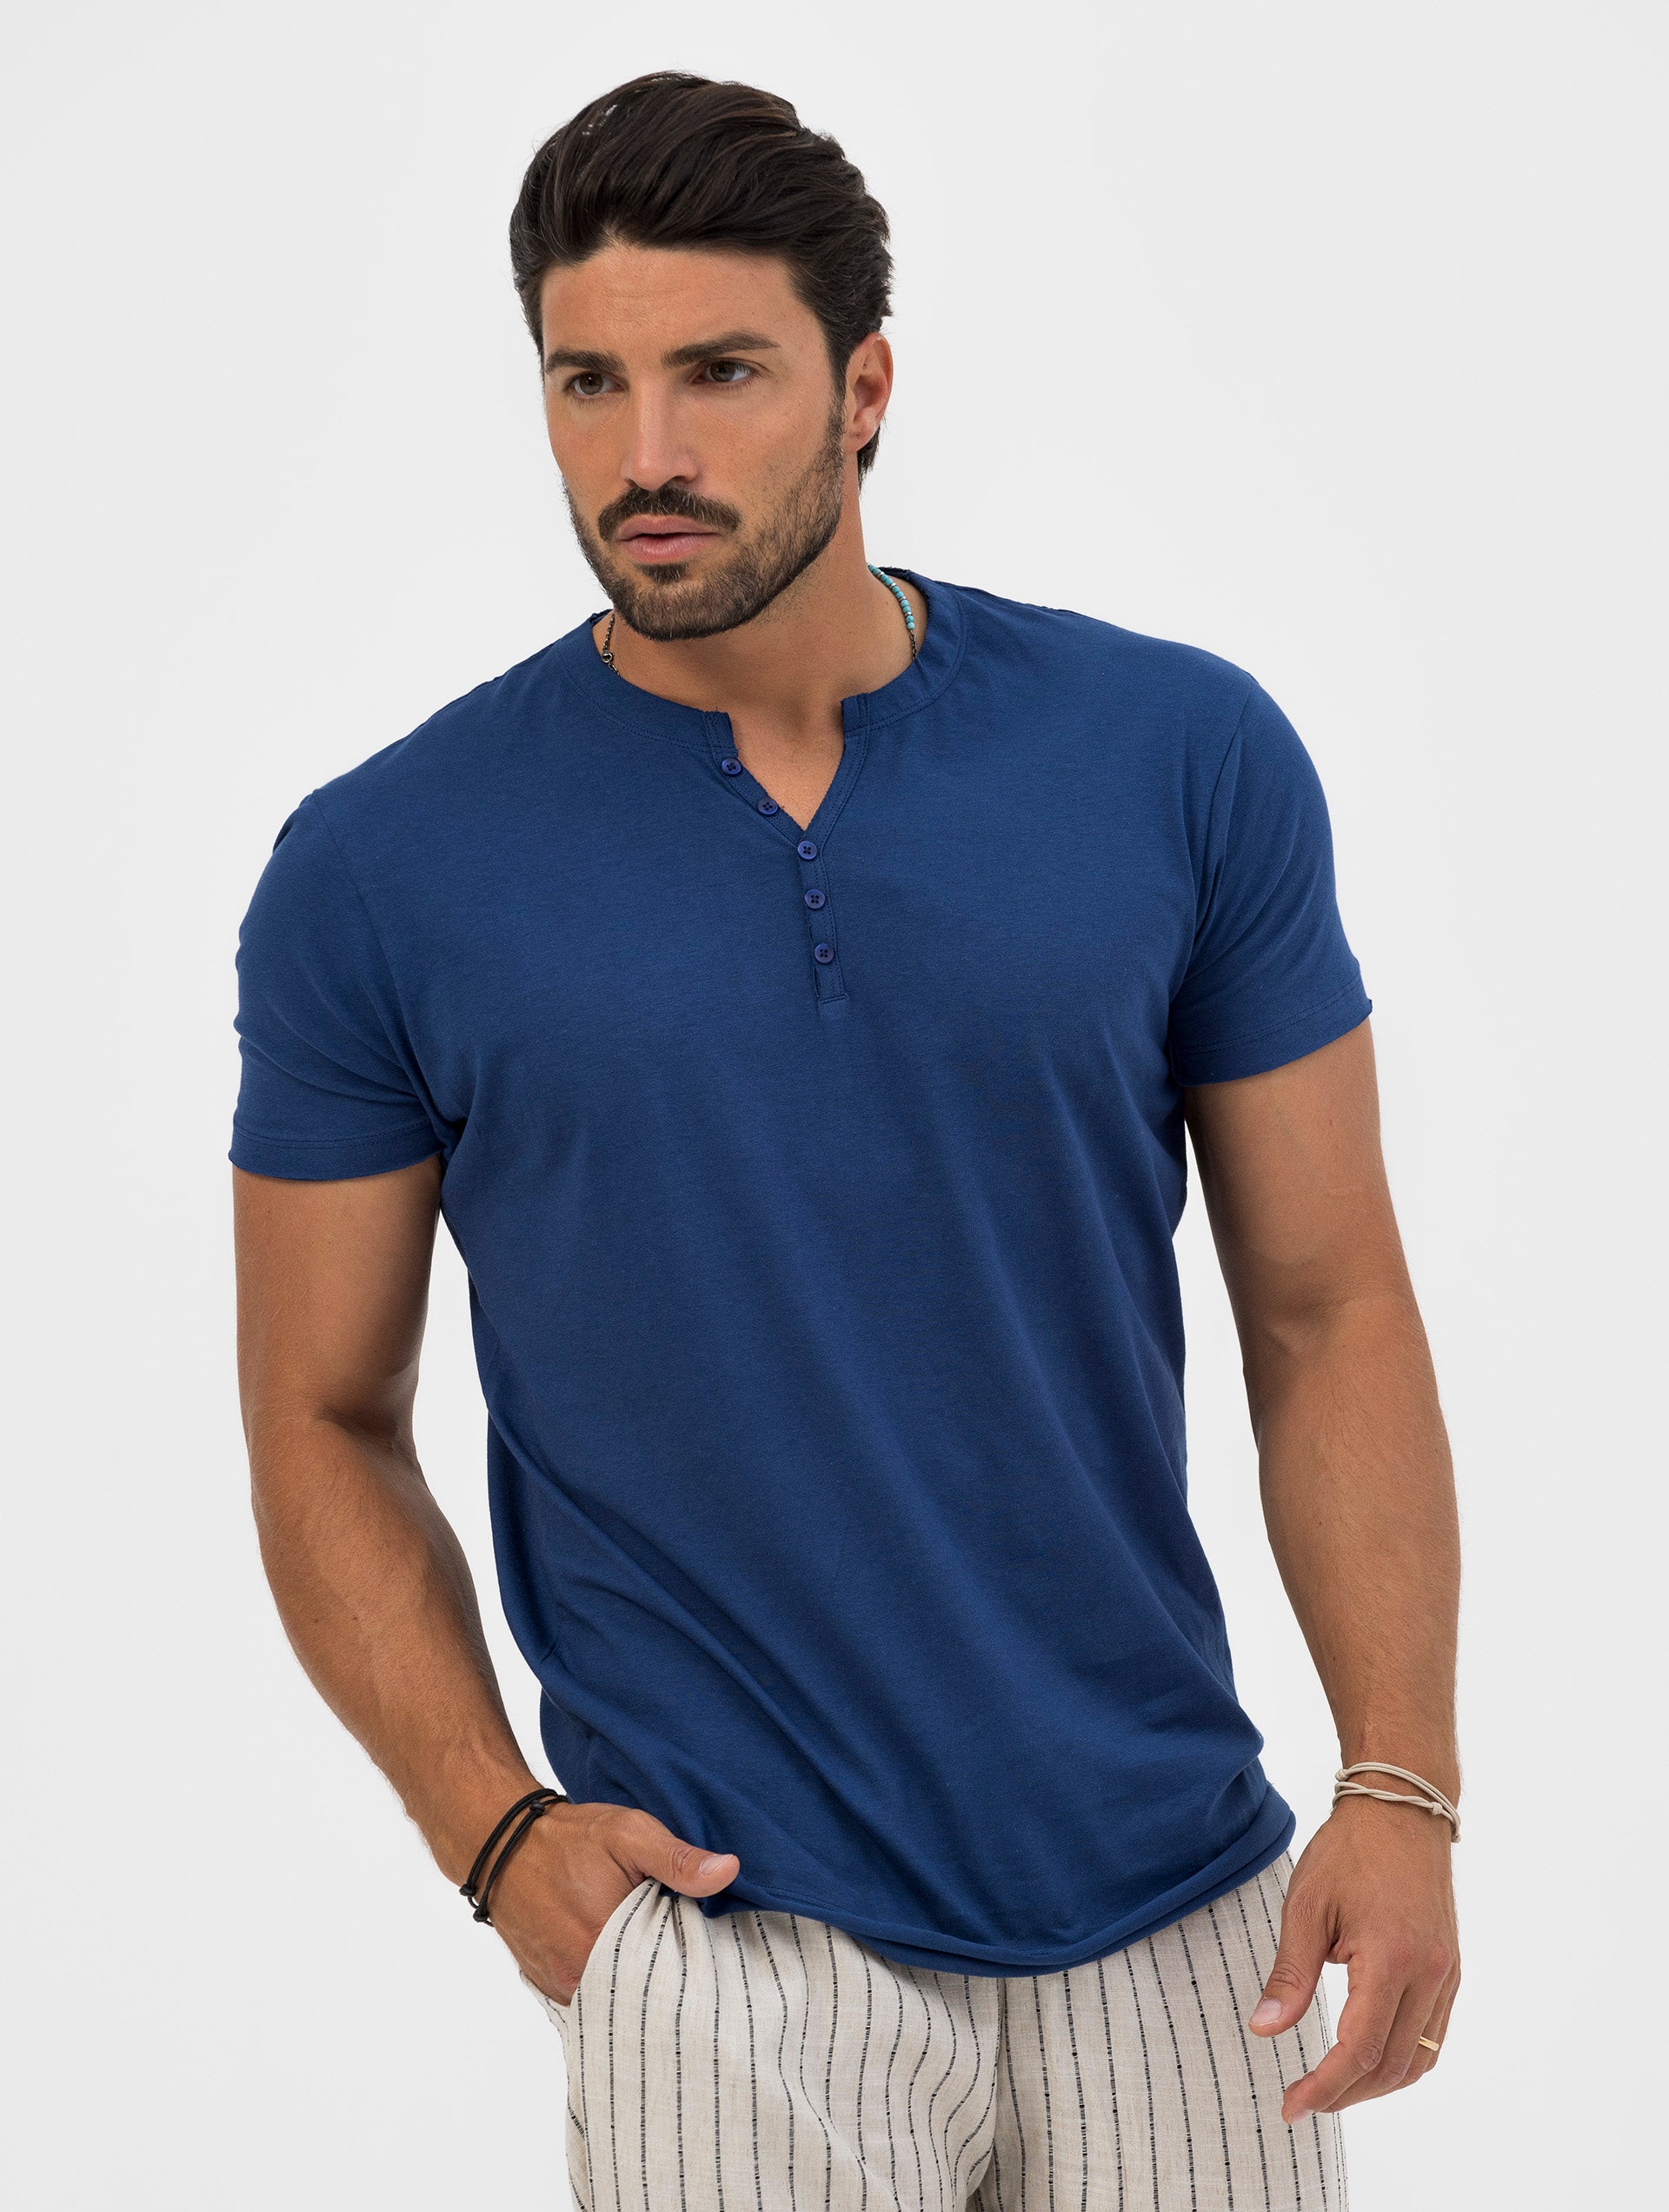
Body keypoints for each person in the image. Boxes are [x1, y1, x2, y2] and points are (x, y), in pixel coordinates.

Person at [230, 71, 1461, 2211]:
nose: (648, 454)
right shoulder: (379, 871)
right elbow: (319, 1413)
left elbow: (1328, 1302)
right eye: (588, 383)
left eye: (720, 374)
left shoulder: (1179, 759)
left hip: (1186, 1911)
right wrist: (496, 1837)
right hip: (723, 1939)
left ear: (864, 389)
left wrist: (1404, 1782)